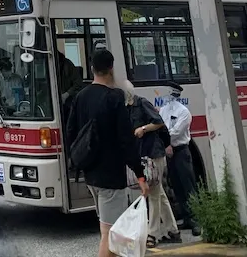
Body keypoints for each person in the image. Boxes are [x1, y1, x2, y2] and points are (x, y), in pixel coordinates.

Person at [66, 48, 149, 257]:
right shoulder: (114, 98)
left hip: (90, 174)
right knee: (110, 233)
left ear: (92, 68)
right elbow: (126, 140)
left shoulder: (80, 97)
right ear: (111, 68)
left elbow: (71, 132)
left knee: (108, 230)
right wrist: (140, 174)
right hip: (111, 176)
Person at [124, 82, 179, 248]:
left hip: (154, 154)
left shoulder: (141, 103)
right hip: (143, 154)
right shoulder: (127, 109)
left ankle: (152, 233)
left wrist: (143, 128)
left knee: (154, 194)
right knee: (158, 192)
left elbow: (159, 122)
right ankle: (173, 230)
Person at [163, 84, 201, 237]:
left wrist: (166, 141)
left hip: (181, 151)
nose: (170, 96)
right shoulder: (164, 110)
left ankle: (196, 219)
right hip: (170, 152)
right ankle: (186, 218)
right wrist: (166, 144)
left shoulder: (184, 112)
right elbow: (162, 128)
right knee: (176, 185)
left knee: (188, 185)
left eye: (172, 93)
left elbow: (176, 131)